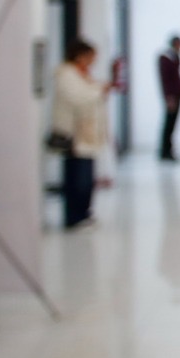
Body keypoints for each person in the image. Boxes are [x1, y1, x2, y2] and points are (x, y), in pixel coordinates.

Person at [50, 39, 110, 230]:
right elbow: (78, 98)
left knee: (86, 177)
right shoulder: (66, 75)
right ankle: (74, 216)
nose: (93, 61)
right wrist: (99, 90)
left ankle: (84, 212)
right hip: (75, 134)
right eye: (90, 57)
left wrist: (98, 89)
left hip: (87, 134)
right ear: (80, 56)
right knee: (77, 178)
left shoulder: (83, 75)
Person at [157, 34, 180, 163]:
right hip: (172, 96)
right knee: (169, 124)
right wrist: (169, 97)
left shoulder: (174, 57)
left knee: (172, 124)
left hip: (177, 95)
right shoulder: (166, 58)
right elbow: (166, 80)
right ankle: (165, 151)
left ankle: (168, 150)